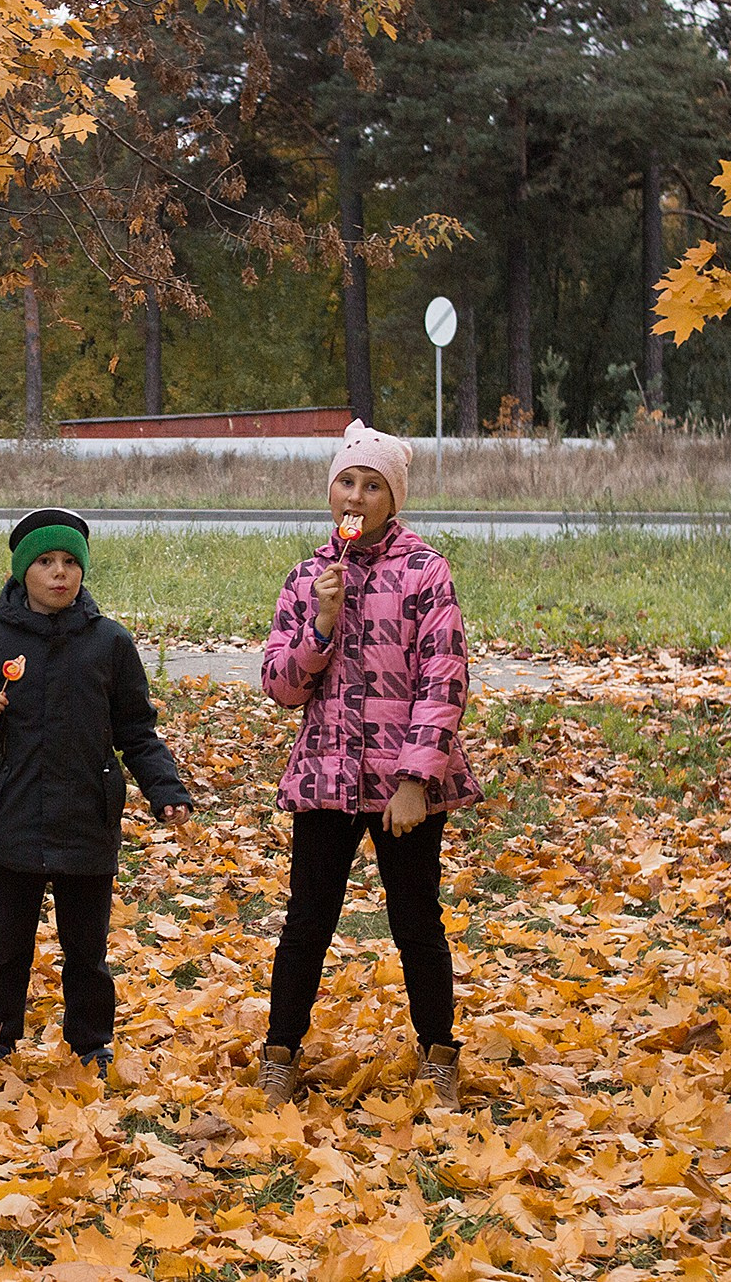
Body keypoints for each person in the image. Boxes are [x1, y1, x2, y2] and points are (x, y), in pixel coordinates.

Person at [257, 421, 482, 1108]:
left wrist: (416, 779)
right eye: (347, 482)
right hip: (327, 773)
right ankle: (279, 1053)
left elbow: (444, 678)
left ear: (392, 498)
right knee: (307, 920)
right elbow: (280, 684)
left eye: (372, 485)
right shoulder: (307, 578)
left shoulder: (424, 570)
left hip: (402, 781)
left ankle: (438, 1051)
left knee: (416, 919)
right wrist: (320, 625)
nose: (356, 495)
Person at [0, 507, 194, 1074]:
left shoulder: (109, 643)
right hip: (12, 816)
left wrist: (165, 788)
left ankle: (90, 1042)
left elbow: (136, 727)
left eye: (69, 563)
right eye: (45, 562)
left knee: (88, 949)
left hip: (87, 817)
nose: (59, 573)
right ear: (21, 572)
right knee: (5, 946)